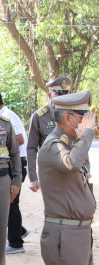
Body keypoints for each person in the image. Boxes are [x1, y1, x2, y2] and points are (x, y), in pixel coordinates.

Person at [38, 89, 96, 265]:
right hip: (65, 235)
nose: (86, 124)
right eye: (82, 118)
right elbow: (72, 164)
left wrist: (82, 137)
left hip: (78, 233)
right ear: (67, 118)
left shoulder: (70, 144)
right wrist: (86, 134)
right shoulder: (53, 145)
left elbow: (83, 167)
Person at [27, 76, 71, 192]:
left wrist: (86, 169)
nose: (63, 99)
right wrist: (32, 177)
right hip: (50, 173)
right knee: (54, 208)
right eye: (59, 95)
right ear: (49, 96)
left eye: (65, 95)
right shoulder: (39, 117)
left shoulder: (74, 115)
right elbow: (31, 148)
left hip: (72, 170)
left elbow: (82, 142)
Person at [0, 94, 29, 254]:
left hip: (10, 168)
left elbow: (18, 141)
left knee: (12, 203)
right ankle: (19, 232)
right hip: (9, 165)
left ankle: (16, 240)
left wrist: (16, 181)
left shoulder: (6, 117)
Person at [0, 115, 21, 265]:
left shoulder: (5, 123)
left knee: (1, 230)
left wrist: (17, 181)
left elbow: (14, 153)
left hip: (2, 180)